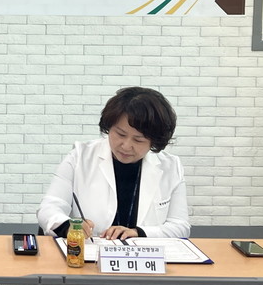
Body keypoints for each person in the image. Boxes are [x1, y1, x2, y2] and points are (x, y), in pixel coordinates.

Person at [37, 87, 189, 240]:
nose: (126, 146)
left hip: (143, 253)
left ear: (154, 141)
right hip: (89, 251)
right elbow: (49, 208)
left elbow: (180, 226)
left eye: (138, 140)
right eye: (120, 134)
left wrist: (140, 233)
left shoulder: (171, 167)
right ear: (109, 127)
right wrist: (66, 225)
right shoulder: (80, 157)